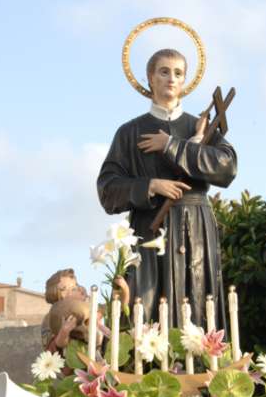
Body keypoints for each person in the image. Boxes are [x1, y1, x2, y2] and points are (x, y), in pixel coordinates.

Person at [97, 49, 237, 330]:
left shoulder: (200, 127)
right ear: (150, 78)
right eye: (163, 71)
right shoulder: (129, 132)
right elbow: (108, 189)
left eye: (178, 73)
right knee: (145, 310)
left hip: (195, 227)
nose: (171, 78)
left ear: (185, 80)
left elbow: (227, 166)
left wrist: (171, 145)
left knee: (197, 308)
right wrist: (150, 185)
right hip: (149, 227)